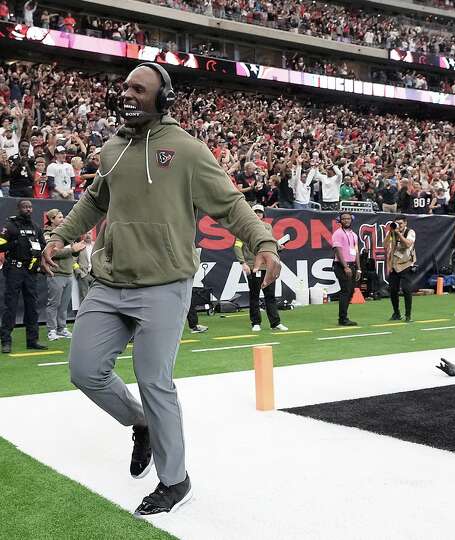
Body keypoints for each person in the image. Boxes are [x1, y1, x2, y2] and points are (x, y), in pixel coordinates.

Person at [41, 62, 281, 516]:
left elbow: (230, 205)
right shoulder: (112, 148)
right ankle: (142, 425)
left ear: (162, 99)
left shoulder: (187, 151)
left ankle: (175, 481)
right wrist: (60, 234)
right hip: (110, 282)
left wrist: (263, 241)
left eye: (140, 89)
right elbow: (95, 199)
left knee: (155, 381)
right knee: (84, 370)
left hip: (165, 285)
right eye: (125, 87)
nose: (128, 95)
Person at [0, 199, 48, 353]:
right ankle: (6, 341)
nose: (28, 209)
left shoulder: (35, 227)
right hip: (14, 269)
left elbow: (42, 245)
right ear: (18, 209)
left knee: (32, 306)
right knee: (11, 306)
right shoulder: (10, 226)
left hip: (30, 271)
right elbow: (1, 244)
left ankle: (32, 340)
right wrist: (12, 244)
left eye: (30, 207)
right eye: (25, 207)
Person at [235, 204, 287, 332]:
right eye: (256, 212)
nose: (258, 214)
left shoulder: (268, 227)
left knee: (270, 296)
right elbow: (237, 246)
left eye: (260, 212)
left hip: (267, 266)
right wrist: (243, 263)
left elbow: (270, 243)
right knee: (254, 295)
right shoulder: (244, 227)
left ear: (263, 214)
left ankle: (275, 323)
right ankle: (256, 322)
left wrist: (278, 247)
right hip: (254, 266)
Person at [42, 209, 83, 342]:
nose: (63, 219)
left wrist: (76, 250)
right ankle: (51, 330)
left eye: (63, 216)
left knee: (64, 304)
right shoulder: (48, 234)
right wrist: (71, 250)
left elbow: (72, 252)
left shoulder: (67, 235)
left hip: (68, 272)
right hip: (56, 273)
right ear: (52, 219)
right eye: (59, 217)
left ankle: (62, 328)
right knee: (54, 303)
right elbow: (52, 253)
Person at [331, 210, 360, 326]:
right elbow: (337, 250)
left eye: (348, 218)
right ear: (340, 220)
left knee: (351, 291)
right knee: (345, 291)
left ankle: (344, 316)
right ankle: (342, 318)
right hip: (342, 265)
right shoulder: (338, 233)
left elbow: (356, 251)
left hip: (352, 265)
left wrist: (358, 268)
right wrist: (345, 267)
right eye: (343, 219)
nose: (346, 220)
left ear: (351, 219)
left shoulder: (354, 235)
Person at [385, 215, 416, 322]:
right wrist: (390, 232)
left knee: (407, 290)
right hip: (394, 265)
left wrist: (398, 233)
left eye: (401, 223)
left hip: (406, 264)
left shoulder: (410, 232)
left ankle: (408, 315)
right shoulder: (393, 233)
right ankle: (396, 313)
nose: (399, 225)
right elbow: (385, 245)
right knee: (393, 290)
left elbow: (407, 244)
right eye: (397, 223)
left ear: (405, 223)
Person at [75, 232, 94, 303]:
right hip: (83, 275)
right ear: (82, 235)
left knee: (95, 297)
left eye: (89, 233)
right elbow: (73, 261)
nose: (88, 235)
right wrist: (79, 272)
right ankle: (83, 313)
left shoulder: (95, 245)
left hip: (95, 275)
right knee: (84, 297)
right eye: (86, 233)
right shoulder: (78, 246)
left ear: (92, 235)